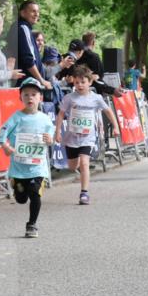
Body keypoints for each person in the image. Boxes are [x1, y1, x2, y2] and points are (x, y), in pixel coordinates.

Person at [55, 64, 120, 205]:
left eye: (83, 82)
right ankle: (77, 163)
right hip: (71, 138)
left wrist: (115, 127)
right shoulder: (69, 98)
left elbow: (108, 111)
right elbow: (60, 114)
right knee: (73, 167)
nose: (79, 85)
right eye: (77, 82)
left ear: (90, 82)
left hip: (88, 138)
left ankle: (84, 193)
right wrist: (57, 131)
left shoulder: (96, 98)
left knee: (84, 163)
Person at [0, 78, 54, 238]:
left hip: (37, 166)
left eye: (34, 94)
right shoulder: (16, 117)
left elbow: (51, 136)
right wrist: (5, 146)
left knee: (35, 194)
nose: (30, 98)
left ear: (40, 98)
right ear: (20, 98)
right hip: (19, 167)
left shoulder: (45, 119)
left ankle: (32, 225)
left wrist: (50, 140)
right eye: (26, 94)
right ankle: (16, 186)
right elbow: (2, 132)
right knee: (22, 199)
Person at [5, 0, 51, 89]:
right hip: (26, 83)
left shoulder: (19, 27)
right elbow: (28, 59)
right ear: (23, 13)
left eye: (38, 12)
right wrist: (41, 80)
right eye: (33, 11)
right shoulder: (23, 28)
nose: (37, 14)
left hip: (21, 82)